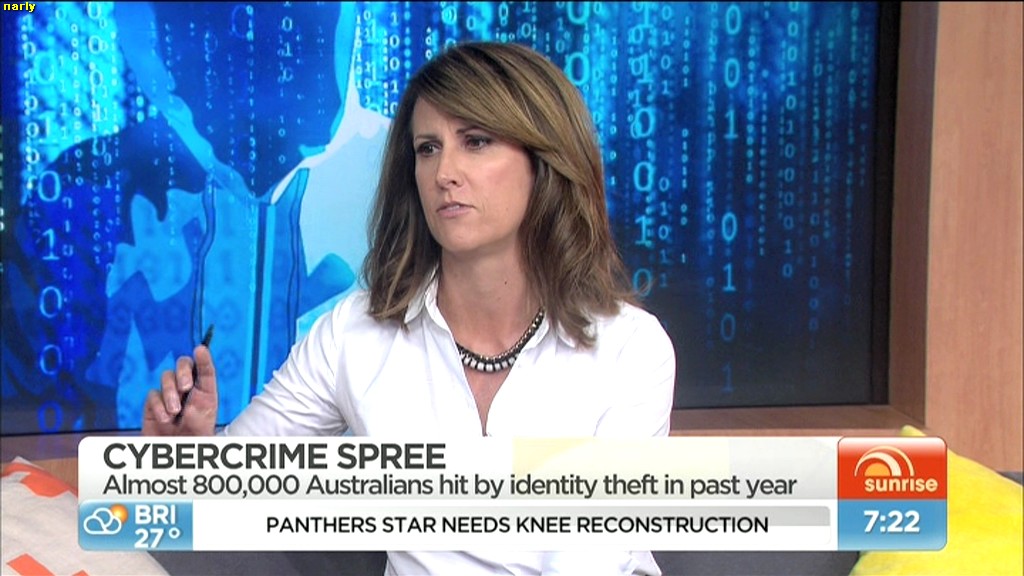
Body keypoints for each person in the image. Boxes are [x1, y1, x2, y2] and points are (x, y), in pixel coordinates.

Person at [143, 41, 676, 575]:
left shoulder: (631, 348)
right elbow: (233, 487)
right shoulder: (354, 332)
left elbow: (590, 559)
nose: (445, 172)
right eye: (427, 148)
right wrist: (189, 459)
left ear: (545, 162)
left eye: (476, 141)